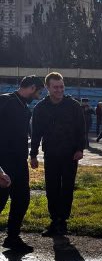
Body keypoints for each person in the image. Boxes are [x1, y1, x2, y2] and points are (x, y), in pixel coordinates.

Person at [30, 72, 86, 237]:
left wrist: (79, 149)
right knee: (52, 189)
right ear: (47, 88)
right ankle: (55, 220)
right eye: (55, 87)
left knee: (67, 188)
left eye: (61, 86)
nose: (59, 90)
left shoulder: (74, 106)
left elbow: (81, 130)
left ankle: (63, 220)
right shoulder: (40, 108)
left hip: (70, 155)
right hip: (51, 155)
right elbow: (36, 134)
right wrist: (33, 154)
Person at [0, 75, 45, 251]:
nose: (38, 96)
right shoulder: (5, 102)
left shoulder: (24, 108)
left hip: (19, 162)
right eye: (38, 92)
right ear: (32, 87)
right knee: (0, 201)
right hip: (3, 161)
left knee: (22, 199)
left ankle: (12, 237)